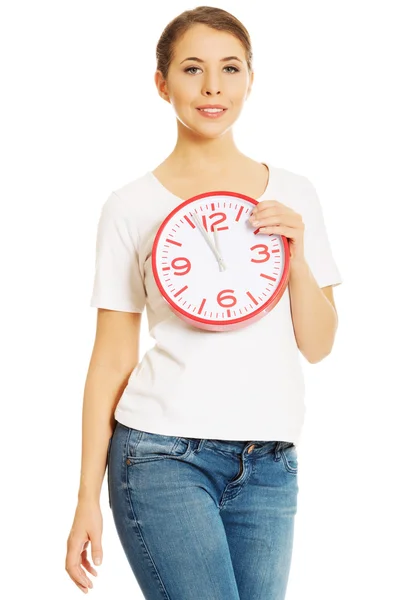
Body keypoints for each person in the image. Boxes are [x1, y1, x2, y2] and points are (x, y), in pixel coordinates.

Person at [65, 6, 342, 598]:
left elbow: (318, 345)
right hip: (163, 456)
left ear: (250, 80)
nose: (213, 87)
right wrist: (86, 497)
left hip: (271, 463)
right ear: (162, 83)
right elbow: (111, 360)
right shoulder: (131, 205)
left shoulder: (294, 194)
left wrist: (295, 255)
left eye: (230, 68)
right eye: (192, 69)